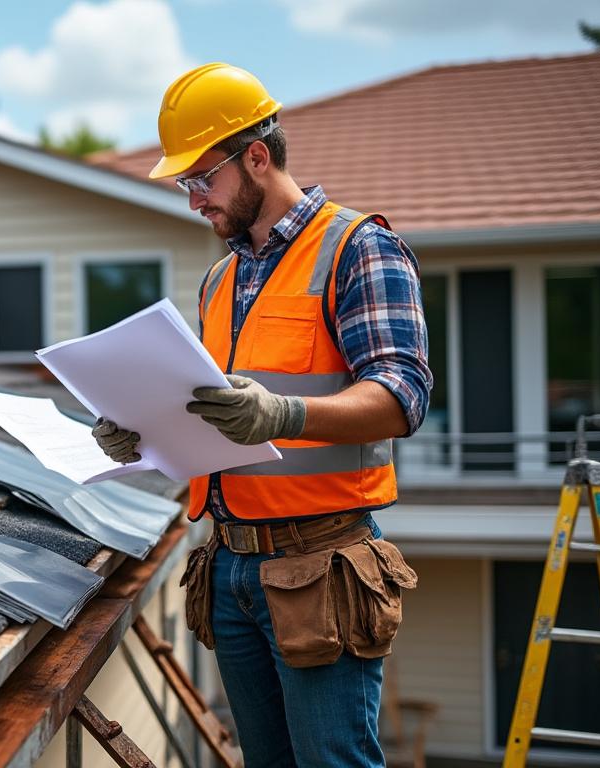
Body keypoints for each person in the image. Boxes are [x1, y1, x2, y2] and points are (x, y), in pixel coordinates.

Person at [92, 63, 430, 766]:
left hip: (321, 565)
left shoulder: (357, 247)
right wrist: (142, 432)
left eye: (200, 180)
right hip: (231, 570)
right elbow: (212, 418)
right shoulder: (222, 277)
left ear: (255, 157)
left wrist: (281, 414)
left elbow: (402, 394)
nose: (193, 202)